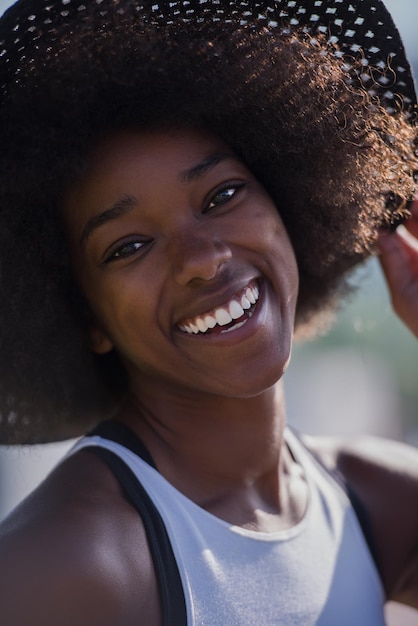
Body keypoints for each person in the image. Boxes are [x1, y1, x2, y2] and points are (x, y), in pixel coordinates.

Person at [0, 0, 417, 624]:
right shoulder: (69, 566)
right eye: (128, 246)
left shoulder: (374, 500)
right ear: (83, 313)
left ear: (289, 205)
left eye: (222, 195)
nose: (201, 259)